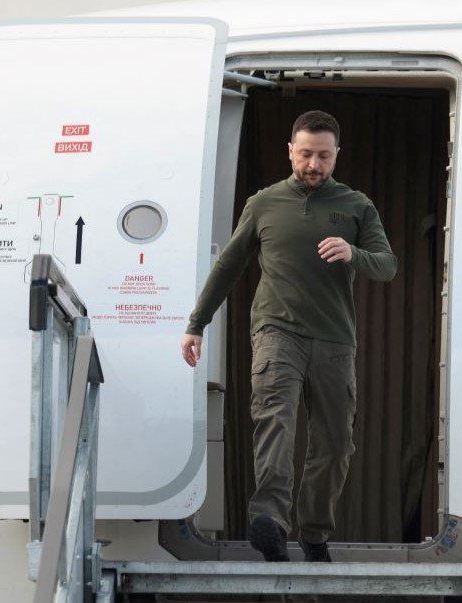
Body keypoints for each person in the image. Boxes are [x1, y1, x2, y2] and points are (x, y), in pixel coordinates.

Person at [180, 110, 397, 562]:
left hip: (336, 340)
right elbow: (229, 265)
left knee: (335, 443)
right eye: (305, 155)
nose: (313, 165)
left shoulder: (357, 205)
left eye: (322, 156)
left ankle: (315, 534)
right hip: (277, 333)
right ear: (290, 151)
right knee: (275, 422)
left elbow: (387, 264)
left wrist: (352, 252)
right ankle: (271, 524)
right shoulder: (264, 203)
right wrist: (196, 324)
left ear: (337, 154)